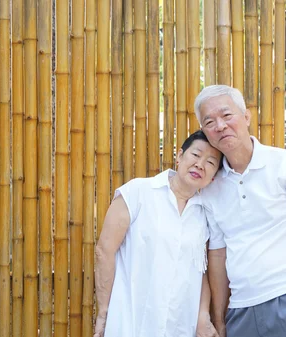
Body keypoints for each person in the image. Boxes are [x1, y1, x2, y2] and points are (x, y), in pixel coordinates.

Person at [196, 85, 286, 337]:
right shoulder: (211, 188)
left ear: (246, 116)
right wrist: (220, 317)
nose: (220, 126)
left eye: (227, 115)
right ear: (204, 131)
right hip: (240, 309)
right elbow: (218, 255)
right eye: (210, 121)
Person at [94, 130, 222, 337]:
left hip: (180, 325)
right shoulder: (138, 192)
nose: (200, 164)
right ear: (179, 156)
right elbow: (104, 251)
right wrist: (103, 311)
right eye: (196, 155)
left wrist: (202, 315)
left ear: (214, 177)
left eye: (210, 162)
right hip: (130, 322)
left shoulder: (206, 215)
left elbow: (202, 269)